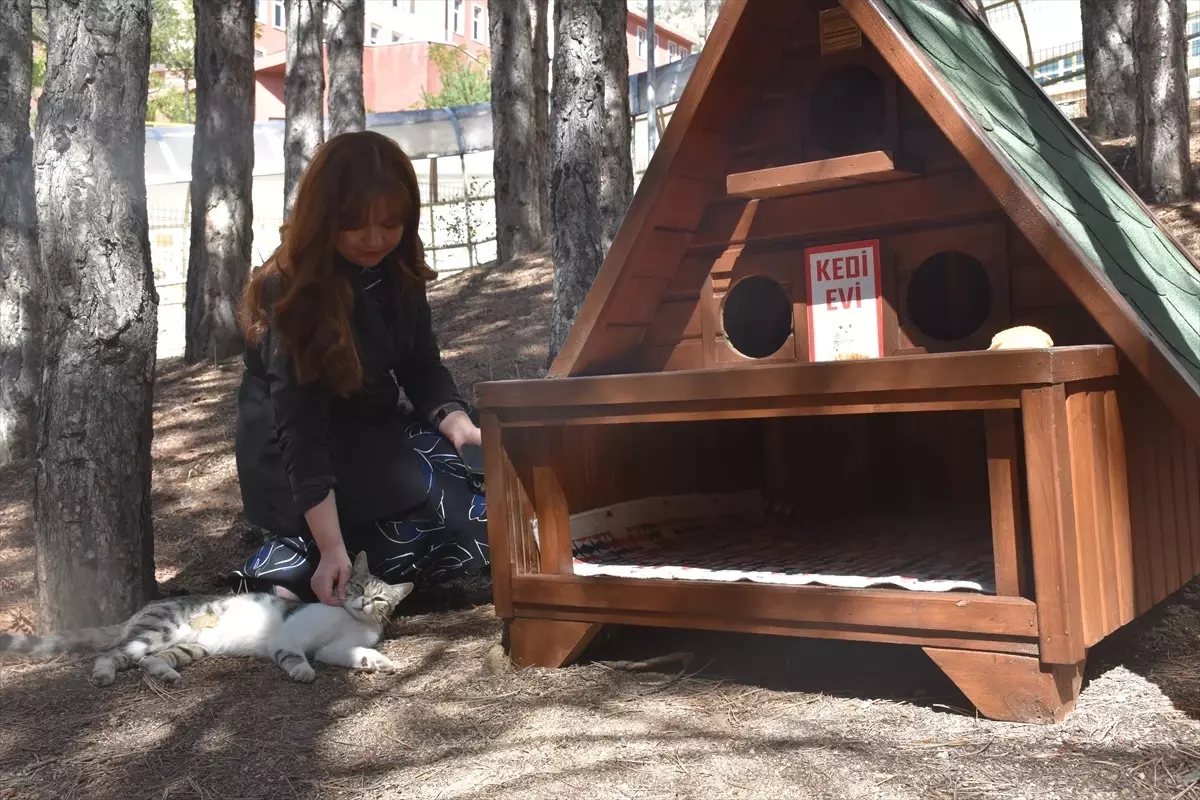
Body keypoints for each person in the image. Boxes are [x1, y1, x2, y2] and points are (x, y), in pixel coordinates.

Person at [230, 130, 488, 606]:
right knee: (461, 519)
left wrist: (460, 426)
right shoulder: (288, 290)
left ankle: (326, 551)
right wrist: (331, 546)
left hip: (369, 430)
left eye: (390, 224)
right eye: (354, 224)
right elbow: (300, 432)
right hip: (298, 458)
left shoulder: (396, 267)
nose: (374, 239)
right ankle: (298, 558)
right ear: (323, 217)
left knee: (487, 481)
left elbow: (421, 367)